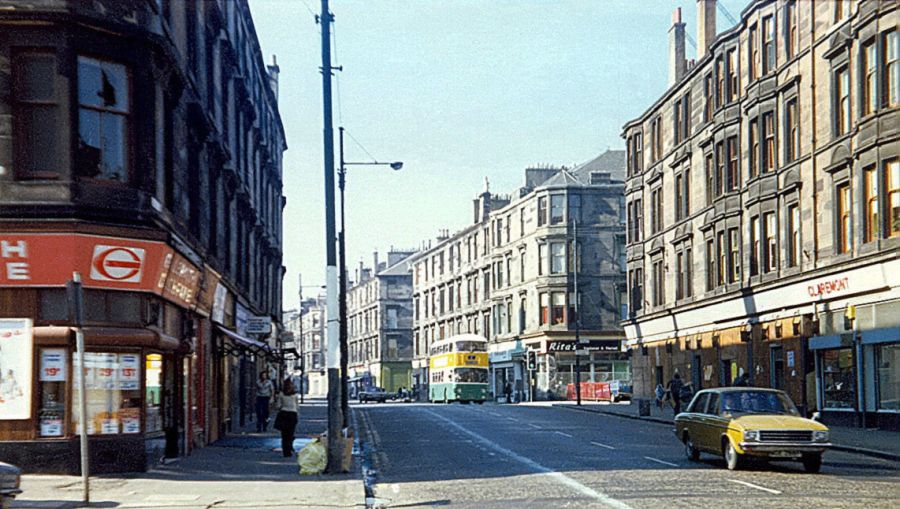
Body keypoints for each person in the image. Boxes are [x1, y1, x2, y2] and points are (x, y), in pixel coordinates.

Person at [274, 379, 299, 457]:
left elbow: (278, 406)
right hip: (293, 414)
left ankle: (286, 451)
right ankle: (290, 447)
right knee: (291, 433)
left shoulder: (281, 394)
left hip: (284, 414)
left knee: (284, 434)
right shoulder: (295, 395)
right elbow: (297, 406)